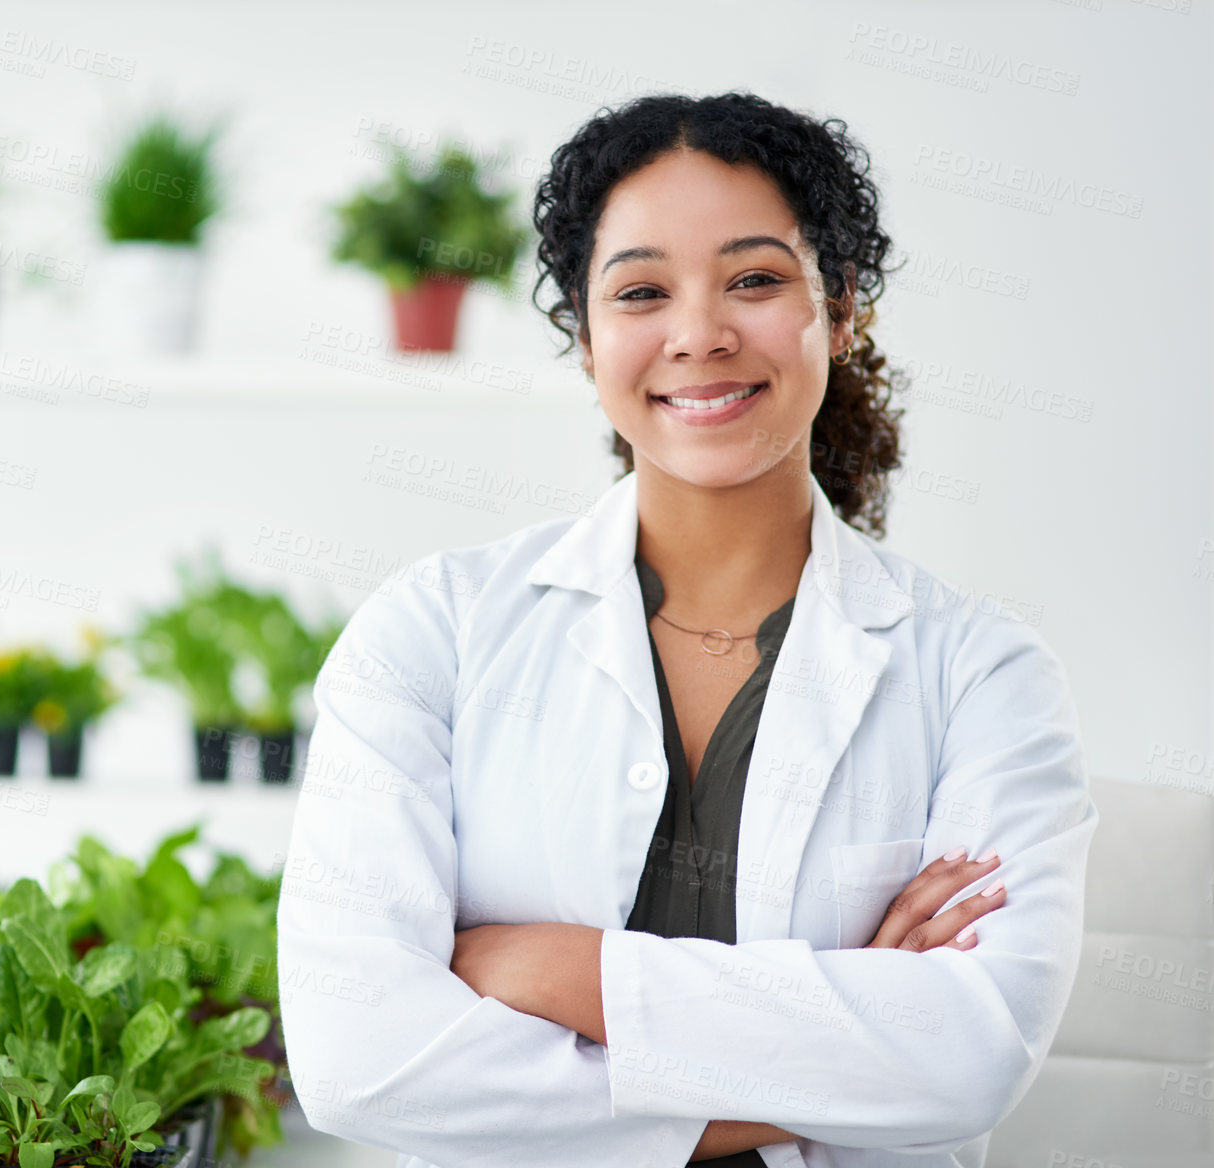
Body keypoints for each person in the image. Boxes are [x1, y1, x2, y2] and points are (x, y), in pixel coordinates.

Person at [276, 90, 1096, 1168]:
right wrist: (847, 1054)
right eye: (642, 290)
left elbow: (975, 1054)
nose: (700, 334)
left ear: (842, 310)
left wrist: (554, 970)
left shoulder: (979, 673)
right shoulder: (435, 632)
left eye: (755, 279)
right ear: (583, 336)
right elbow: (357, 1058)